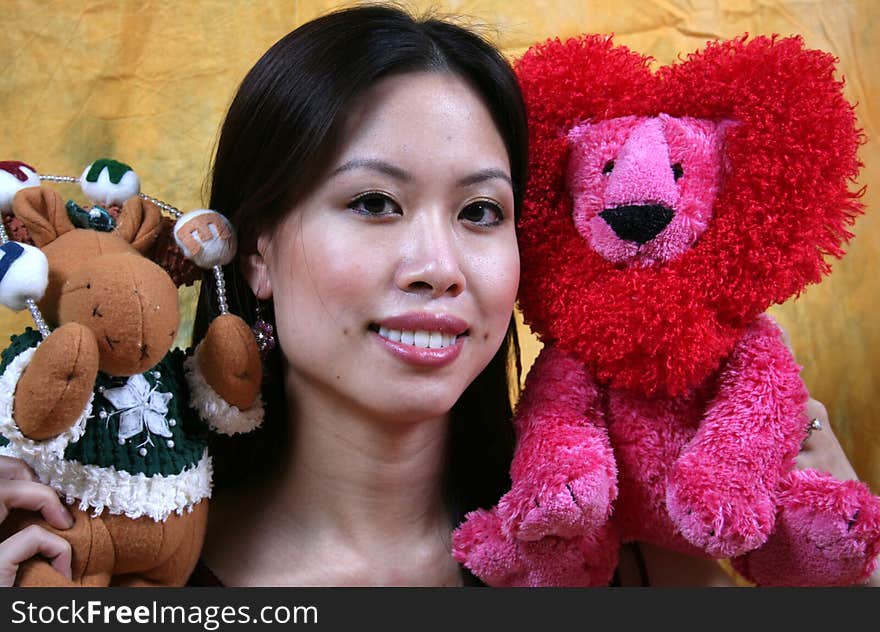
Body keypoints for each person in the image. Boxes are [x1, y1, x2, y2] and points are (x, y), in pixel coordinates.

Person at [0, 5, 874, 587]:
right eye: (374, 202)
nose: (440, 264)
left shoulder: (627, 557)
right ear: (256, 251)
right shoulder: (106, 560)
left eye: (481, 211)